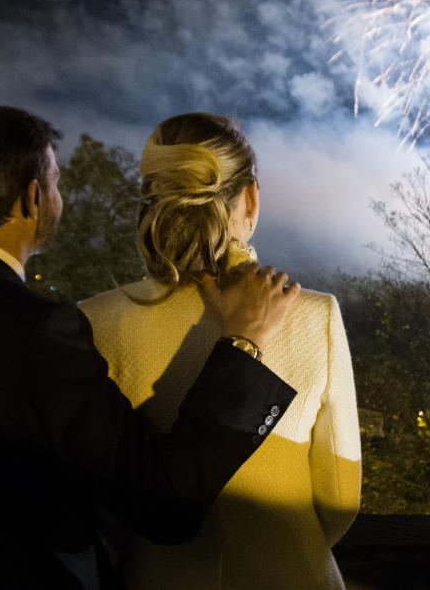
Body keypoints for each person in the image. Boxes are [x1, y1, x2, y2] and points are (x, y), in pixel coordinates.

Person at [0, 102, 303, 590]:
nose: (58, 197)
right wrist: (243, 342)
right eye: (56, 181)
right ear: (34, 198)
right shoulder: (40, 334)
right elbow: (163, 502)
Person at [81, 113, 360, 590]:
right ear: (250, 197)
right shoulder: (316, 316)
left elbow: (100, 503)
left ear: (151, 199)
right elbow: (339, 499)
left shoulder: (95, 320)